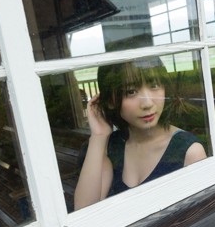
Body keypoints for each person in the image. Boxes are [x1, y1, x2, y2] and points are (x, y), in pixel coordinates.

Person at [74, 57, 206, 209]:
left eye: (154, 85)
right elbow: (83, 214)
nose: (147, 103)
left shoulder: (188, 152)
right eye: (131, 92)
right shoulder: (111, 147)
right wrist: (98, 136)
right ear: (110, 101)